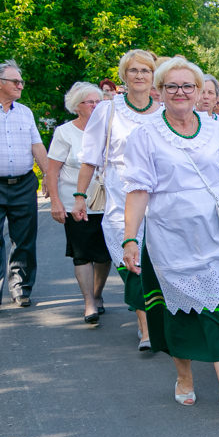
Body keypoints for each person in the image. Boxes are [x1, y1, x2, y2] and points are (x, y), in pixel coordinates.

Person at [121, 56, 219, 417]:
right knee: (180, 314)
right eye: (172, 86)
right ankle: (184, 378)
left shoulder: (216, 129)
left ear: (201, 90)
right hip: (170, 237)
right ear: (159, 92)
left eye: (188, 86)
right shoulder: (144, 135)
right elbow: (139, 191)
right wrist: (129, 238)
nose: (181, 93)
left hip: (217, 231)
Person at [72, 49, 161, 351]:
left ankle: (157, 321)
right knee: (132, 262)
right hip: (119, 198)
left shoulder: (163, 112)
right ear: (124, 75)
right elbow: (90, 157)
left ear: (153, 76)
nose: (139, 76)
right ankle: (144, 326)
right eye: (133, 70)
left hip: (159, 198)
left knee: (158, 262)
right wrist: (80, 196)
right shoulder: (108, 111)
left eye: (145, 71)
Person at [0, 60, 49, 311]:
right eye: (15, 82)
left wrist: (49, 175)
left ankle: (21, 288)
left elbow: (37, 146)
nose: (21, 85)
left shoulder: (25, 112)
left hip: (23, 184)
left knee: (24, 239)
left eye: (21, 81)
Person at [45, 82, 111, 324]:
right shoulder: (65, 132)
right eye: (89, 102)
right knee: (82, 254)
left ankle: (97, 293)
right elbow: (52, 172)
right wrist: (56, 202)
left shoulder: (111, 129)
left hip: (107, 201)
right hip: (75, 202)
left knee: (104, 255)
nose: (95, 106)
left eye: (98, 101)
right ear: (76, 106)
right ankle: (89, 303)